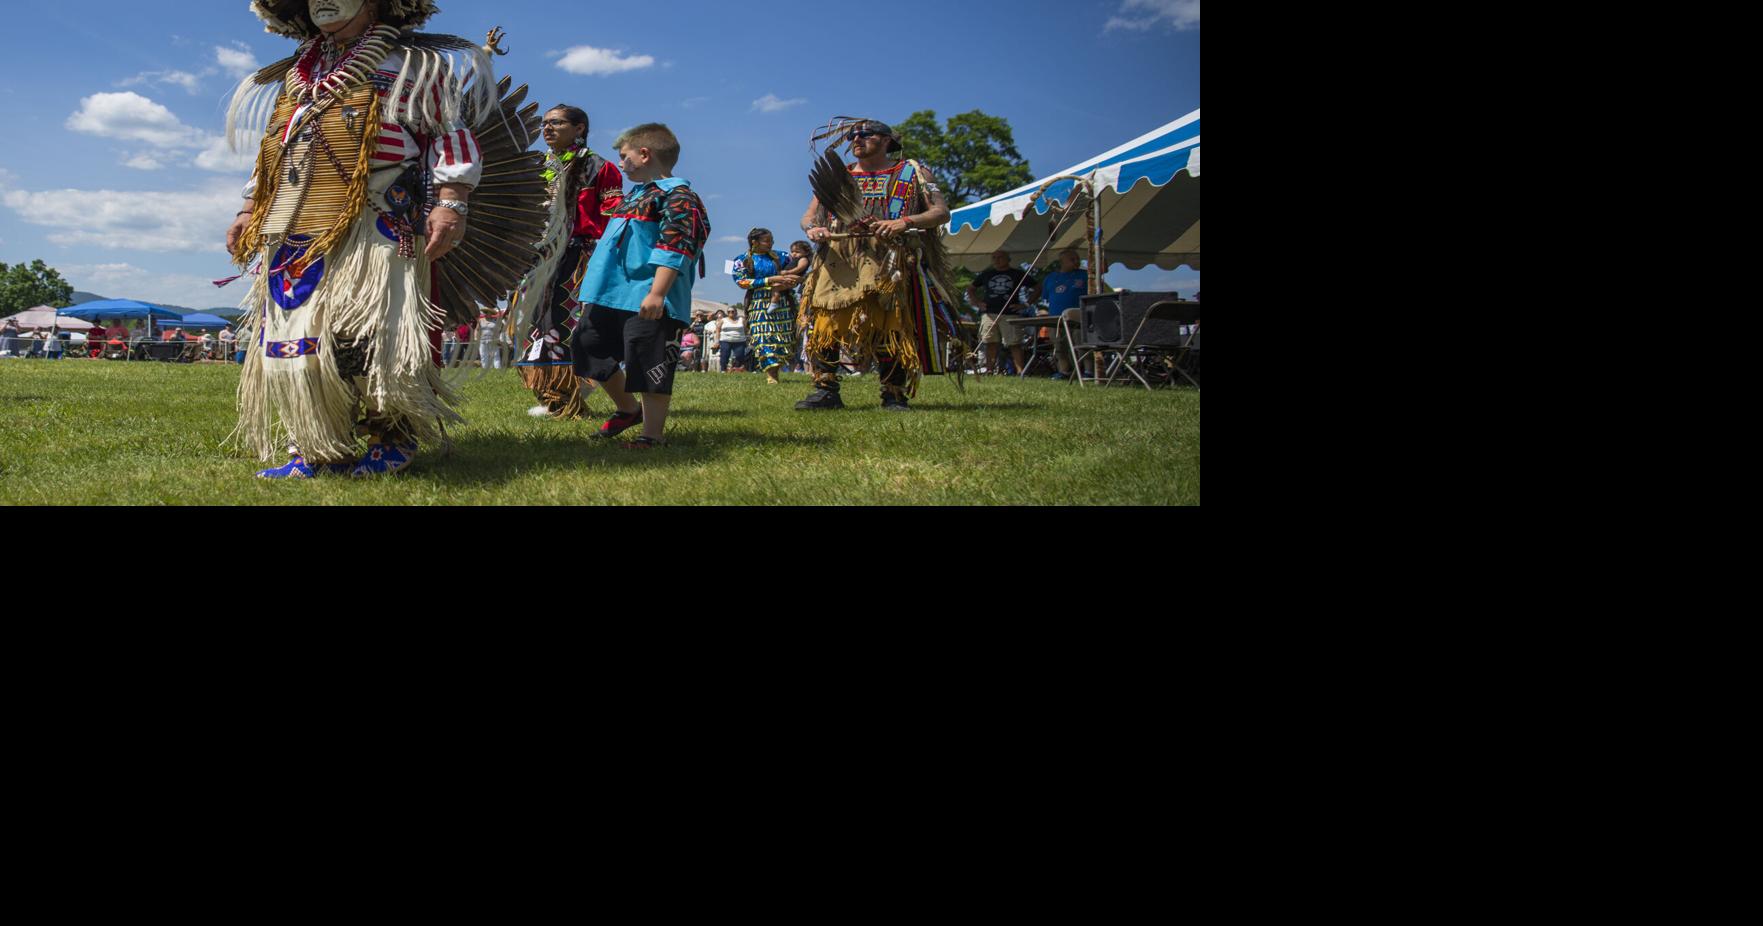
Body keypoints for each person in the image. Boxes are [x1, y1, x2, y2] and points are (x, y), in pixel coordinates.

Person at [222, 0, 502, 478]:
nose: (321, 2)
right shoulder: (297, 76)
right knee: (295, 331)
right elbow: (276, 147)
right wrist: (250, 206)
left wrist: (451, 202)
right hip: (295, 215)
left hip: (377, 211)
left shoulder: (414, 64)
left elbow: (447, 131)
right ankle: (315, 444)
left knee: (371, 329)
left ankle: (390, 435)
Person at [795, 117, 964, 411]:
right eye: (852, 136)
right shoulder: (841, 176)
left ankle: (893, 393)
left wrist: (904, 221)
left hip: (889, 258)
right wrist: (813, 230)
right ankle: (825, 389)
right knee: (826, 321)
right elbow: (808, 217)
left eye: (865, 134)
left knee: (889, 323)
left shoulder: (913, 172)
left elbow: (940, 213)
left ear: (887, 140)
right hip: (839, 257)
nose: (856, 140)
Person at [571, 123, 711, 449]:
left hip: (648, 293)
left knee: (650, 360)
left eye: (624, 156)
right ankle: (627, 409)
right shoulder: (634, 195)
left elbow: (676, 244)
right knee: (586, 344)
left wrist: (658, 292)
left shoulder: (678, 195)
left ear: (644, 154)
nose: (620, 164)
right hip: (609, 293)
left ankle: (652, 435)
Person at [510, 104, 625, 419]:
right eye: (544, 123)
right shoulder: (535, 165)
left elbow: (614, 215)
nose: (547, 128)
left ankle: (569, 395)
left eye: (556, 123)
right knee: (529, 324)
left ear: (580, 128)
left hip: (577, 256)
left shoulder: (599, 167)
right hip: (535, 258)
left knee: (565, 324)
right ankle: (551, 395)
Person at [734, 228, 801, 384]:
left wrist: (792, 279)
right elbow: (741, 281)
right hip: (758, 303)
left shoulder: (782, 256)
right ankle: (771, 376)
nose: (771, 243)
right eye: (767, 240)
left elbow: (799, 268)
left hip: (782, 302)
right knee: (762, 337)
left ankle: (775, 372)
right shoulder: (741, 259)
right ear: (754, 242)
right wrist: (769, 280)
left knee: (781, 338)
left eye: (772, 240)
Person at [969, 249, 1037, 375]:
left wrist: (1026, 304)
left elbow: (1037, 287)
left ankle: (1020, 371)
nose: (997, 260)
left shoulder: (1017, 274)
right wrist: (977, 303)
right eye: (994, 257)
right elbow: (971, 288)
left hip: (1010, 312)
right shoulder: (987, 274)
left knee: (1014, 342)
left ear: (1008, 259)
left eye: (1000, 257)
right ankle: (989, 370)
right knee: (990, 341)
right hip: (989, 313)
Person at [1041, 248, 1090, 380]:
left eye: (1077, 259)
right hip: (1056, 318)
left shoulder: (1085, 275)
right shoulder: (1051, 278)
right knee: (1059, 346)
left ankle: (1088, 371)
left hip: (1079, 317)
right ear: (1062, 261)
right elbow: (1046, 298)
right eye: (1072, 259)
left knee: (1081, 343)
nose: (1076, 262)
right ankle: (1064, 371)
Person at [718, 305, 749, 373]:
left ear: (736, 312)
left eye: (732, 311)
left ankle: (738, 369)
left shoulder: (741, 319)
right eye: (729, 311)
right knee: (725, 355)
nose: (731, 313)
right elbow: (718, 330)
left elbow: (745, 330)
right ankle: (723, 369)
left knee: (739, 355)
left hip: (740, 341)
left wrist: (747, 339)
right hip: (725, 340)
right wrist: (717, 341)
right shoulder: (723, 320)